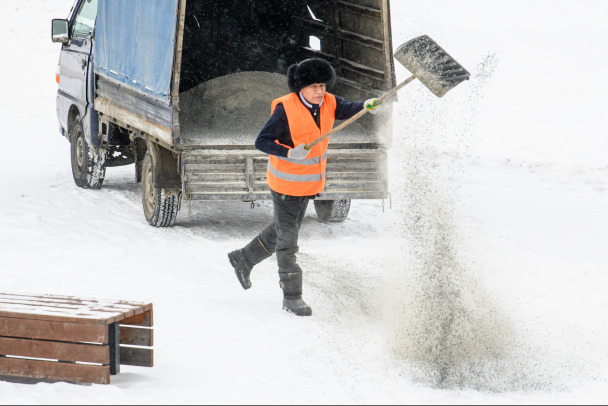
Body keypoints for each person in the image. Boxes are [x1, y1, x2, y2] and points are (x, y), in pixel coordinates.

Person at [228, 58, 383, 316]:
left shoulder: (329, 102)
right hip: (286, 186)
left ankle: (244, 258)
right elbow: (262, 141)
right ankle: (292, 296)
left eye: (322, 85)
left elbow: (346, 109)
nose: (319, 91)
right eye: (313, 86)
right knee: (288, 242)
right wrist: (289, 153)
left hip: (308, 185)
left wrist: (366, 106)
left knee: (282, 229)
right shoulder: (286, 109)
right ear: (301, 87)